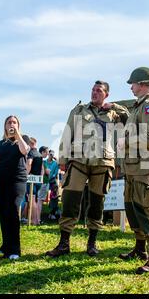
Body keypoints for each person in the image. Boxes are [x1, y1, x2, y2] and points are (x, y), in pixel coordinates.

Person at [46, 80, 129, 258]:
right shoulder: (79, 110)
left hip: (103, 162)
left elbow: (129, 119)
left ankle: (92, 243)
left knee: (97, 203)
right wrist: (62, 159)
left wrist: (113, 106)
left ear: (106, 94)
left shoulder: (113, 113)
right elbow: (67, 133)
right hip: (78, 161)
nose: (94, 93)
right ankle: (64, 243)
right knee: (70, 200)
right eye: (93, 90)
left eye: (99, 91)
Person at [117, 67, 149, 274]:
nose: (131, 87)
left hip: (144, 166)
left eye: (133, 84)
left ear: (143, 83)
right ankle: (140, 249)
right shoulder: (138, 106)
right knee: (132, 207)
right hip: (134, 166)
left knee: (146, 209)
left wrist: (124, 142)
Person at [0, 115, 30, 260]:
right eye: (9, 122)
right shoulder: (0, 144)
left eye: (14, 122)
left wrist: (17, 133)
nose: (11, 124)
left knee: (12, 212)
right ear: (5, 126)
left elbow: (25, 151)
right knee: (4, 214)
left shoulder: (23, 139)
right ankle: (5, 245)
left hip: (17, 181)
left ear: (18, 125)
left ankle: (15, 249)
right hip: (0, 181)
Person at [22, 137, 43, 225]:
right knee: (36, 200)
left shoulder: (31, 153)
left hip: (31, 179)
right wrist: (40, 177)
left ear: (30, 144)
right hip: (38, 179)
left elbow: (29, 163)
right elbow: (42, 168)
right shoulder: (39, 154)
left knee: (32, 199)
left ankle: (34, 220)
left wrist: (26, 174)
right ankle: (37, 219)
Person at [33, 146, 49, 225]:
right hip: (41, 183)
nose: (47, 154)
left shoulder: (38, 159)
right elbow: (43, 172)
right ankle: (38, 219)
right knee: (39, 202)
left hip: (38, 182)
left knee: (36, 201)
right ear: (42, 152)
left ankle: (36, 219)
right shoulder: (41, 160)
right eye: (46, 152)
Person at [47, 150, 60, 220]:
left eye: (52, 154)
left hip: (52, 181)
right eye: (50, 154)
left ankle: (52, 213)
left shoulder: (55, 163)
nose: (51, 155)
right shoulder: (44, 162)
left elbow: (55, 173)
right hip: (45, 181)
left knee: (54, 197)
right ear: (48, 154)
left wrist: (56, 159)